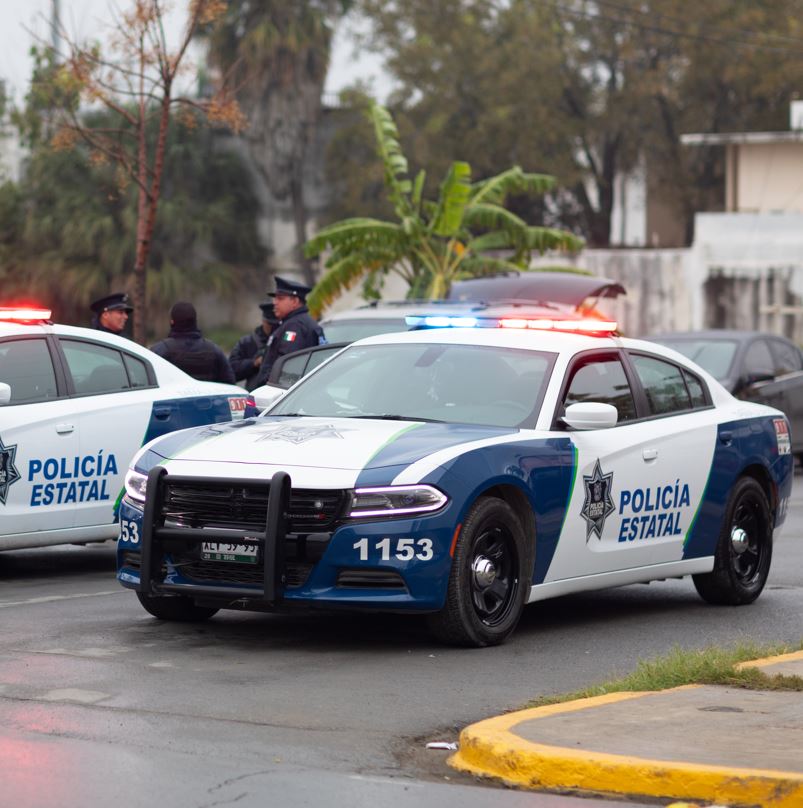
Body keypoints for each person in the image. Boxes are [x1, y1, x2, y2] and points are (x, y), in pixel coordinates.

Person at [252, 276, 326, 387]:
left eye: (280, 298)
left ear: (295, 301)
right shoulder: (297, 322)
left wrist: (268, 384)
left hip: (282, 392)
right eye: (275, 298)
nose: (275, 303)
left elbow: (287, 366)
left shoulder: (295, 326)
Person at [150, 301, 235, 383]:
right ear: (195, 321)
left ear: (172, 322)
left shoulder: (159, 350)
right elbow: (229, 383)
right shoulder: (214, 350)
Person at [229, 301, 280, 391]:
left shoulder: (285, 340)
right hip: (255, 393)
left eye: (276, 325)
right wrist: (254, 363)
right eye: (270, 324)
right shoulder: (247, 342)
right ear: (263, 321)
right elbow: (231, 370)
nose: (273, 328)